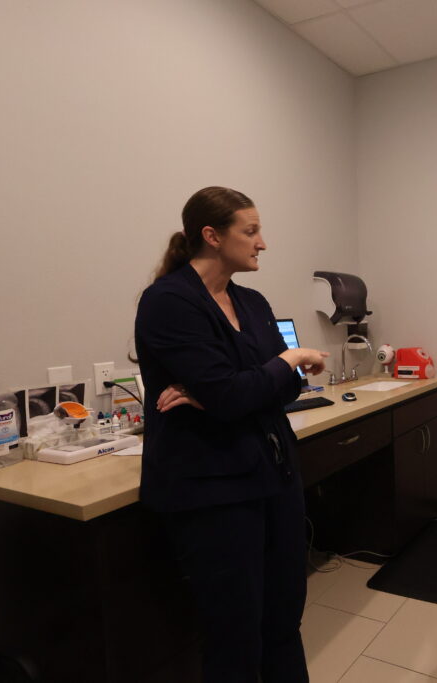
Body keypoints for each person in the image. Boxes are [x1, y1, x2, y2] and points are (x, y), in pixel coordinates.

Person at [134, 186, 328, 683]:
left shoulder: (253, 302)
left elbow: (279, 393)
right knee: (235, 633)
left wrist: (231, 389)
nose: (263, 242)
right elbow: (241, 392)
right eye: (251, 230)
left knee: (284, 617)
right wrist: (285, 360)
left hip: (274, 476)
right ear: (212, 236)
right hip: (213, 491)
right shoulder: (169, 303)